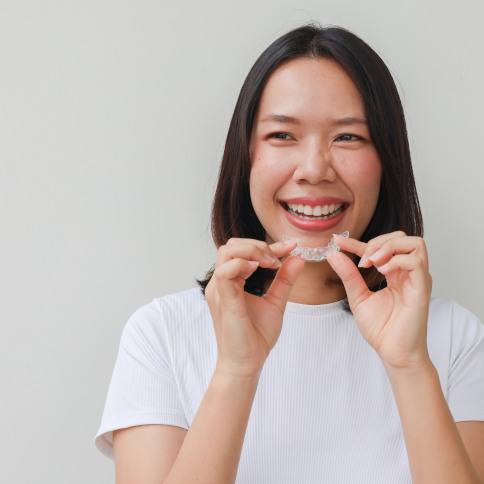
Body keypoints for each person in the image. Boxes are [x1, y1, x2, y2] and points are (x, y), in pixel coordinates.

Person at [94, 23, 484, 483]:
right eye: (282, 135)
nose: (315, 169)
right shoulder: (161, 334)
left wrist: (409, 365)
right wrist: (237, 370)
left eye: (348, 137)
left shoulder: (452, 337)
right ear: (246, 158)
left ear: (387, 160)